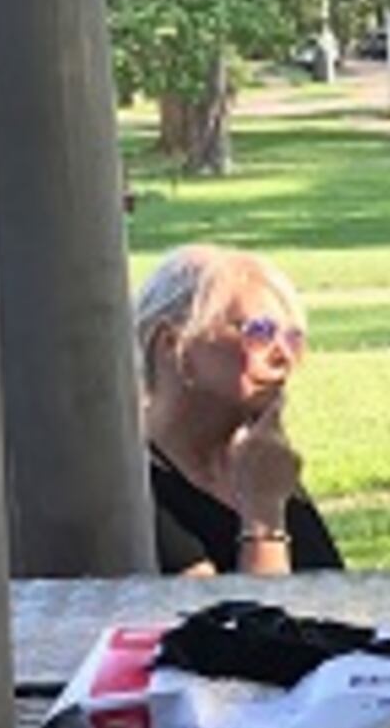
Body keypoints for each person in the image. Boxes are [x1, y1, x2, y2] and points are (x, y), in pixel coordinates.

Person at [137, 244, 342, 575]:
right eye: (260, 332)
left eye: (293, 339)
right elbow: (242, 623)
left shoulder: (260, 460)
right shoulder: (137, 490)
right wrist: (263, 517)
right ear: (173, 346)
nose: (284, 357)